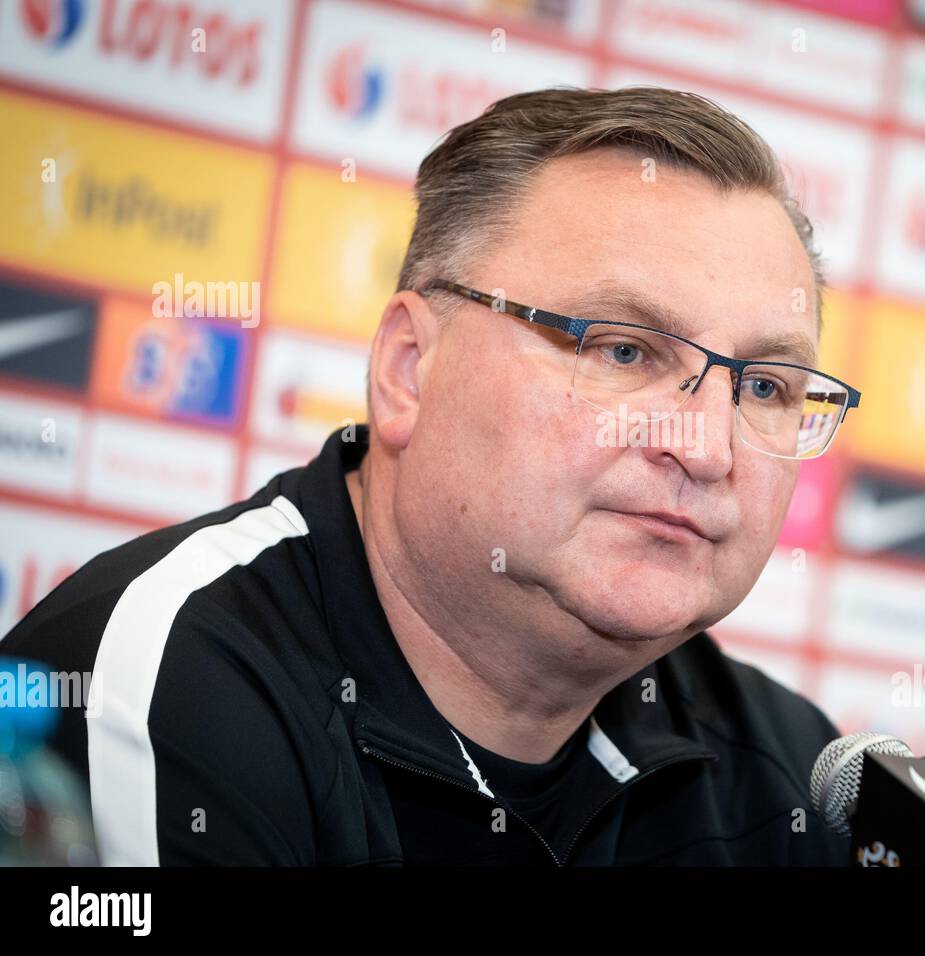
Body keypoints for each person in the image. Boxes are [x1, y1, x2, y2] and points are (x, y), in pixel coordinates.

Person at [1, 86, 863, 865]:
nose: (707, 447)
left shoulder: (789, 771)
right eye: (623, 349)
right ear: (410, 369)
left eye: (764, 388)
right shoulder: (166, 691)